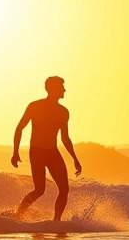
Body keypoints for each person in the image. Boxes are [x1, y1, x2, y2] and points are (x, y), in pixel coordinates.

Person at [11, 76, 82, 222]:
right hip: (37, 152)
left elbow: (65, 138)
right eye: (62, 86)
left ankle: (57, 221)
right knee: (39, 190)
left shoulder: (63, 112)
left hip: (53, 153)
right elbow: (19, 128)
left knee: (64, 189)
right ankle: (18, 214)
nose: (64, 89)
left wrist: (75, 158)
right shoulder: (35, 106)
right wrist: (15, 151)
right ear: (52, 89)